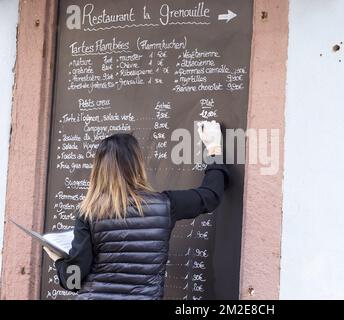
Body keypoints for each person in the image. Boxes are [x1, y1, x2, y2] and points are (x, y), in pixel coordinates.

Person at [44, 120, 229, 300]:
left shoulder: (89, 212)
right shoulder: (165, 205)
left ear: (98, 170)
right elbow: (210, 195)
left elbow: (73, 281)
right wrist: (214, 149)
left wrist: (60, 261)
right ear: (137, 166)